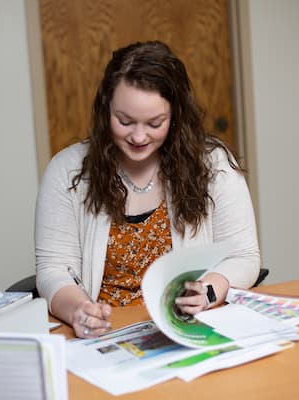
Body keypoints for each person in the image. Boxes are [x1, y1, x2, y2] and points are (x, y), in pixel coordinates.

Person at [35, 41, 260, 338]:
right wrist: (79, 310)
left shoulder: (214, 165)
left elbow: (244, 256)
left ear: (175, 115)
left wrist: (208, 291)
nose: (138, 136)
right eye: (124, 121)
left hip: (186, 329)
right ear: (106, 110)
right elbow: (53, 269)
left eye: (155, 123)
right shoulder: (67, 170)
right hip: (106, 333)